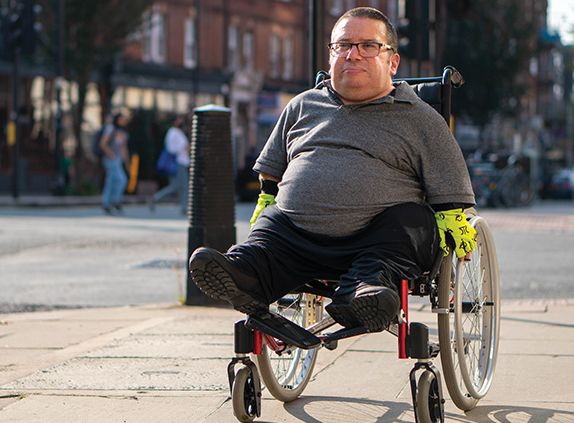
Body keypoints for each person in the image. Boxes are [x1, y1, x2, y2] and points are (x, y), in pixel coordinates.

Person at [189, 7, 477, 333]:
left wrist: (453, 223)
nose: (353, 55)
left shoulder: (420, 117)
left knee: (410, 219)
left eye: (368, 46)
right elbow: (271, 173)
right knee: (271, 223)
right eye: (343, 45)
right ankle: (244, 274)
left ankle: (363, 294)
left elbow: (450, 188)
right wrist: (268, 200)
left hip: (377, 244)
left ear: (393, 62)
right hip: (295, 241)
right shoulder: (302, 105)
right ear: (331, 56)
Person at [152, 114, 190, 214]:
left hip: (182, 161)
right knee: (183, 186)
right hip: (178, 162)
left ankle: (156, 198)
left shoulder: (178, 132)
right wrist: (184, 148)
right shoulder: (173, 132)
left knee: (176, 186)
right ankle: (185, 207)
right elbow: (171, 148)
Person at [100, 113, 131, 214]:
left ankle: (107, 203)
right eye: (122, 119)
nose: (124, 121)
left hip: (118, 160)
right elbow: (103, 144)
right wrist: (112, 156)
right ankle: (116, 201)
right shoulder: (111, 129)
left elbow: (124, 148)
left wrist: (127, 162)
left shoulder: (122, 132)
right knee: (121, 180)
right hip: (111, 159)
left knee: (111, 182)